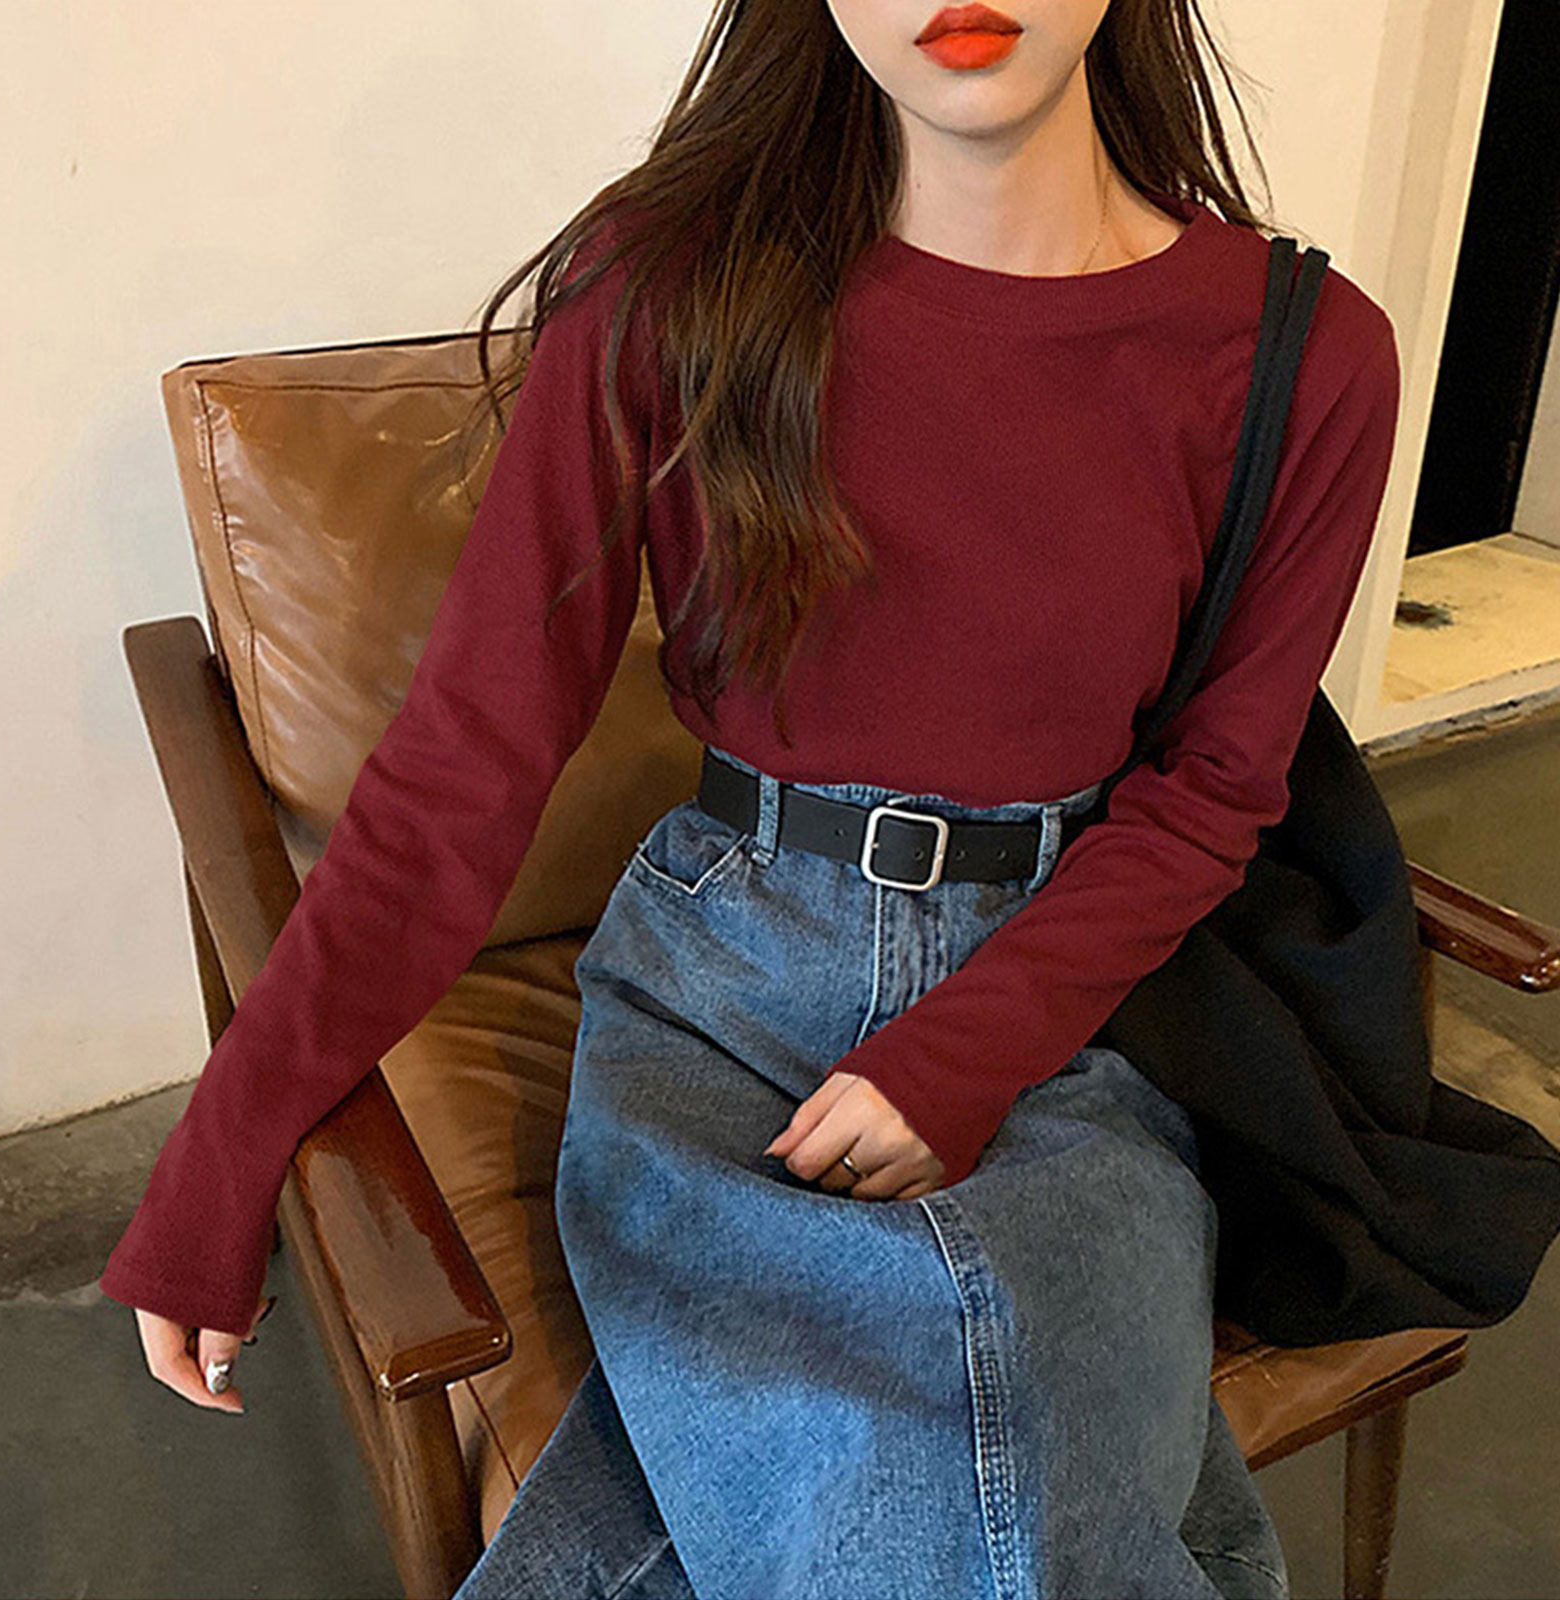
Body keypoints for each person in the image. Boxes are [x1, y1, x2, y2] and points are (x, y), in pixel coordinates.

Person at [102, 1, 1402, 1595]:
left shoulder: (1305, 353)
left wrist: (966, 1056)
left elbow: (1214, 788)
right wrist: (228, 1140)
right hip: (721, 994)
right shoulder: (664, 286)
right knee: (956, 1495)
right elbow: (463, 767)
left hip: (1083, 1011)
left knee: (986, 1466)